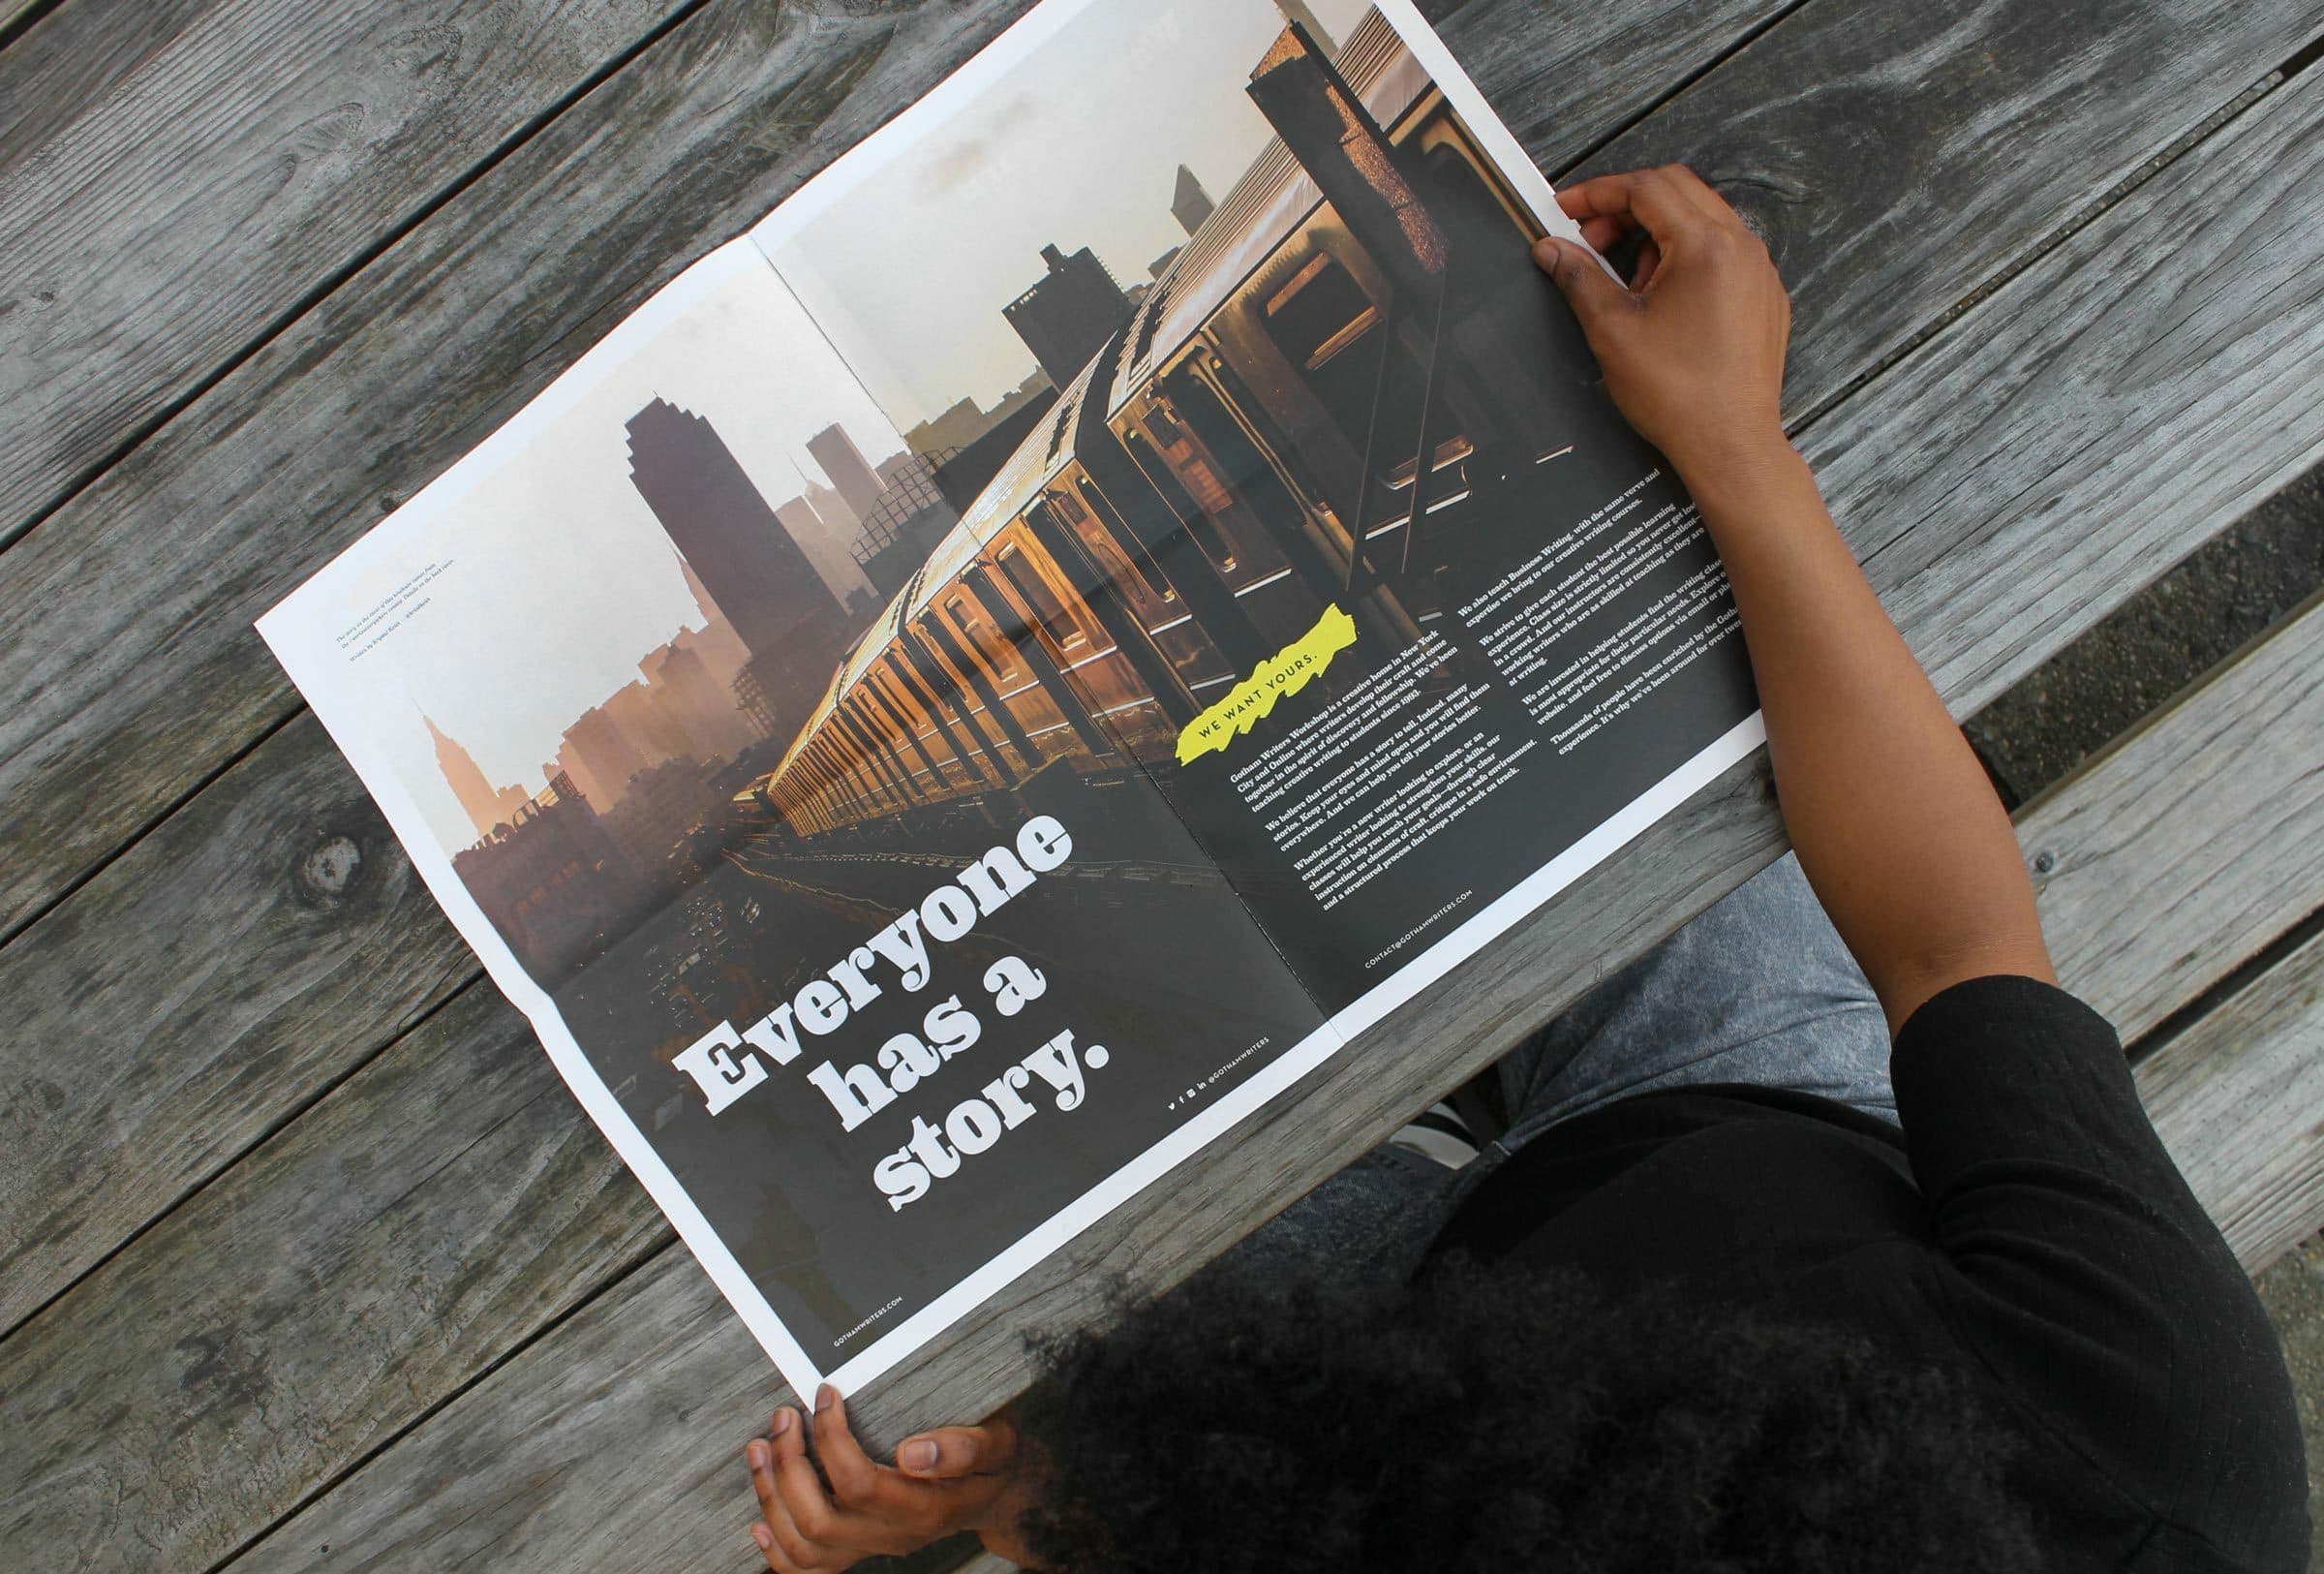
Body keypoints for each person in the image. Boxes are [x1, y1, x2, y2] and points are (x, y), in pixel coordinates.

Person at [736, 167, 2309, 1573]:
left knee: (929, 1233)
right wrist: (1735, 445)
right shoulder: (2163, 1440)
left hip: (1394, 1359)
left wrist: (985, 1493)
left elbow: (1174, 1517)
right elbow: (1956, 950)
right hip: (1742, 1101)